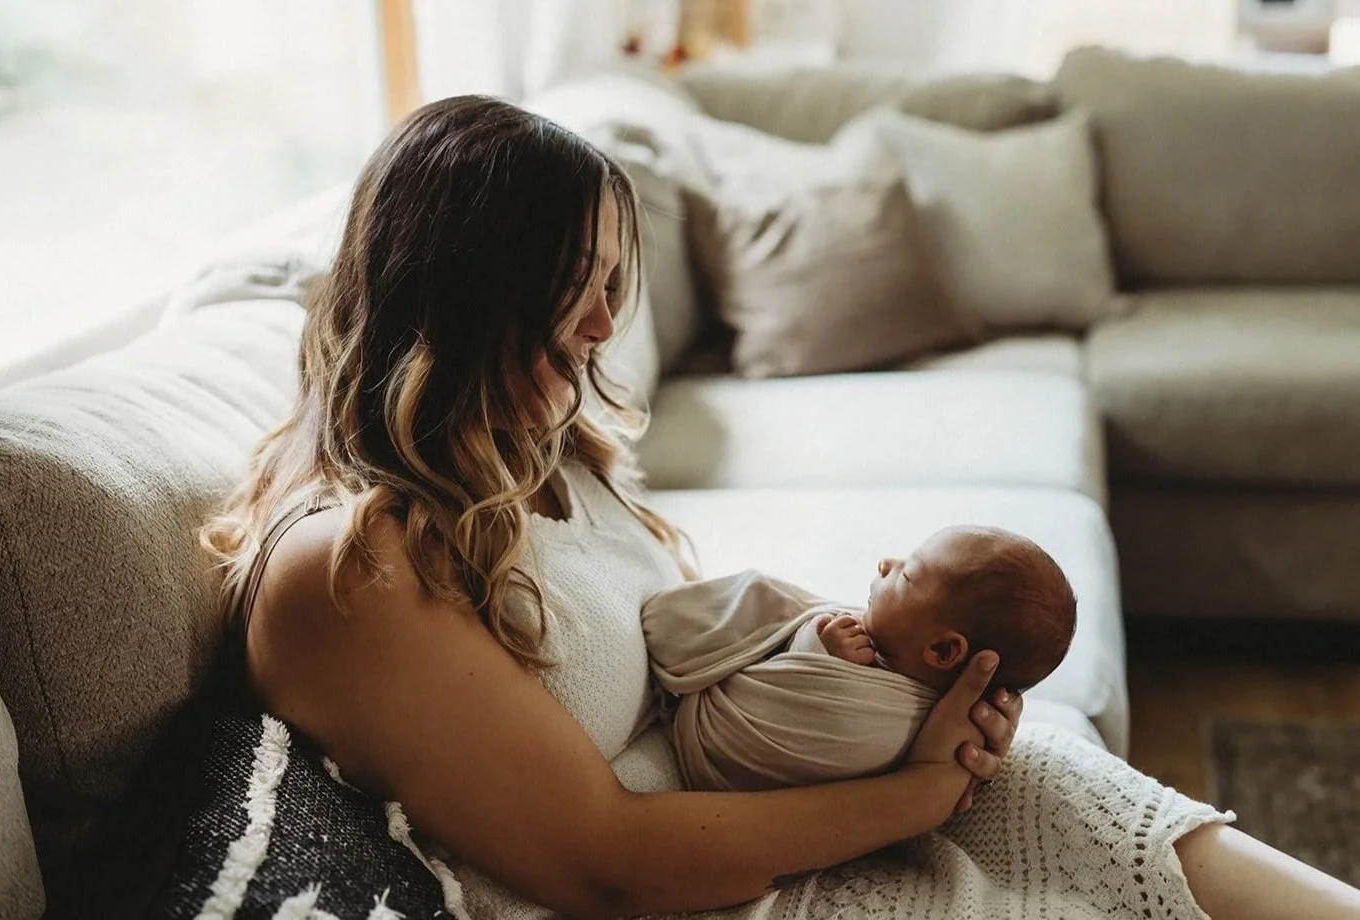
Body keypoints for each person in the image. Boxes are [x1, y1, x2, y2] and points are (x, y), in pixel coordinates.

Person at [202, 95, 1360, 919]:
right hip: (699, 878)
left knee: (1092, 797)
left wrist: (893, 692)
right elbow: (603, 862)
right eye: (574, 286)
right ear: (463, 289)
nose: (606, 327)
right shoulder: (352, 571)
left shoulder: (535, 443)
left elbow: (684, 637)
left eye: (614, 284)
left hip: (771, 804)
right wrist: (913, 791)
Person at [640, 525, 1077, 792]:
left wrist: (816, 648)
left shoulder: (883, 715)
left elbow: (798, 709)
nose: (887, 562)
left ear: (943, 650)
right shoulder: (940, 714)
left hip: (713, 736)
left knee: (764, 594)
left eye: (907, 574)